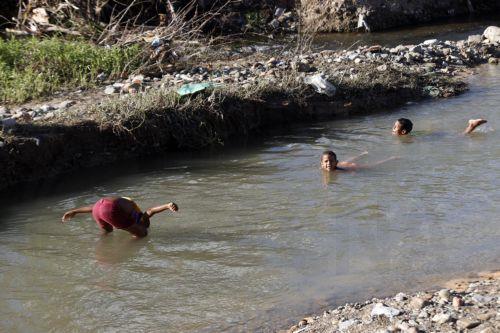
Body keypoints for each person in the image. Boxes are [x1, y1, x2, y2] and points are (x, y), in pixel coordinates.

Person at [62, 197, 178, 237]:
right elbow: (150, 211)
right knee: (143, 234)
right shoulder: (139, 218)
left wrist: (75, 211)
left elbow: (97, 207)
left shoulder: (129, 208)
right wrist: (167, 206)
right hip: (110, 210)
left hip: (98, 205)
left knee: (107, 232)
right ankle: (116, 254)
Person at [392, 117, 487, 136]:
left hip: (435, 136)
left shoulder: (409, 138)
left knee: (462, 136)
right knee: (460, 134)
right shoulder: (411, 134)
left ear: (403, 132)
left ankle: (473, 125)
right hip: (433, 134)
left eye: (395, 127)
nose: (393, 129)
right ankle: (472, 124)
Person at [320, 150, 397, 171]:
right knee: (349, 160)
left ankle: (390, 159)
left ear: (336, 162)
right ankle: (363, 154)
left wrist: (353, 172)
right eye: (326, 161)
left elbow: (349, 171)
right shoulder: (322, 168)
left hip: (350, 167)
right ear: (322, 163)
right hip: (343, 163)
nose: (329, 163)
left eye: (331, 161)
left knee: (371, 166)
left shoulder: (340, 170)